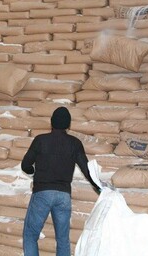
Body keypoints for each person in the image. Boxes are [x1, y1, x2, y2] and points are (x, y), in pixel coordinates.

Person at [21, 107, 100, 256]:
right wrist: (98, 187)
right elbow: (86, 169)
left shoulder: (40, 140)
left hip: (42, 193)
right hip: (64, 196)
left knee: (30, 235)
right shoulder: (75, 143)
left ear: (51, 123)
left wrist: (33, 173)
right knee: (63, 239)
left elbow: (25, 165)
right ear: (68, 125)